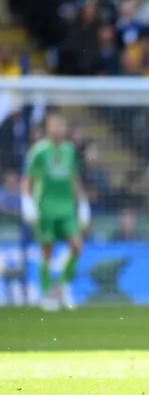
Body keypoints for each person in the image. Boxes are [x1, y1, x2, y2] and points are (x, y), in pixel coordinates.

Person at [21, 112, 90, 311]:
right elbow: (27, 178)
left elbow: (73, 178)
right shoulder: (39, 151)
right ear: (47, 128)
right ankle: (46, 293)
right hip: (45, 207)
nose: (58, 129)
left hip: (67, 207)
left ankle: (62, 286)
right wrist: (27, 201)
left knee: (77, 246)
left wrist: (83, 203)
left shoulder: (69, 150)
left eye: (61, 125)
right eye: (54, 125)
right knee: (47, 250)